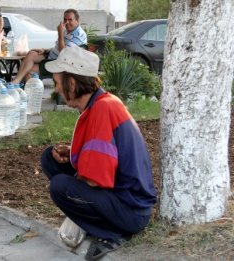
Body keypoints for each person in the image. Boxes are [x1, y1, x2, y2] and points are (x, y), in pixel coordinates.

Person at [40, 46, 157, 260]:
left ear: (72, 83)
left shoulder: (102, 109)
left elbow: (94, 180)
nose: (56, 89)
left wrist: (76, 174)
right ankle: (91, 220)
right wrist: (74, 153)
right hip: (122, 196)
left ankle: (110, 233)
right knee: (50, 158)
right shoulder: (102, 103)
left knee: (60, 187)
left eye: (57, 83)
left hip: (130, 210)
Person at [11, 9, 87, 84]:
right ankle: (17, 81)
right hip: (52, 57)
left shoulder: (78, 35)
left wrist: (60, 33)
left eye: (70, 20)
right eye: (65, 19)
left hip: (60, 63)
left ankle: (25, 90)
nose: (67, 22)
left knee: (30, 70)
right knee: (31, 53)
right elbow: (58, 48)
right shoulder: (67, 31)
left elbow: (64, 53)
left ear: (77, 21)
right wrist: (45, 50)